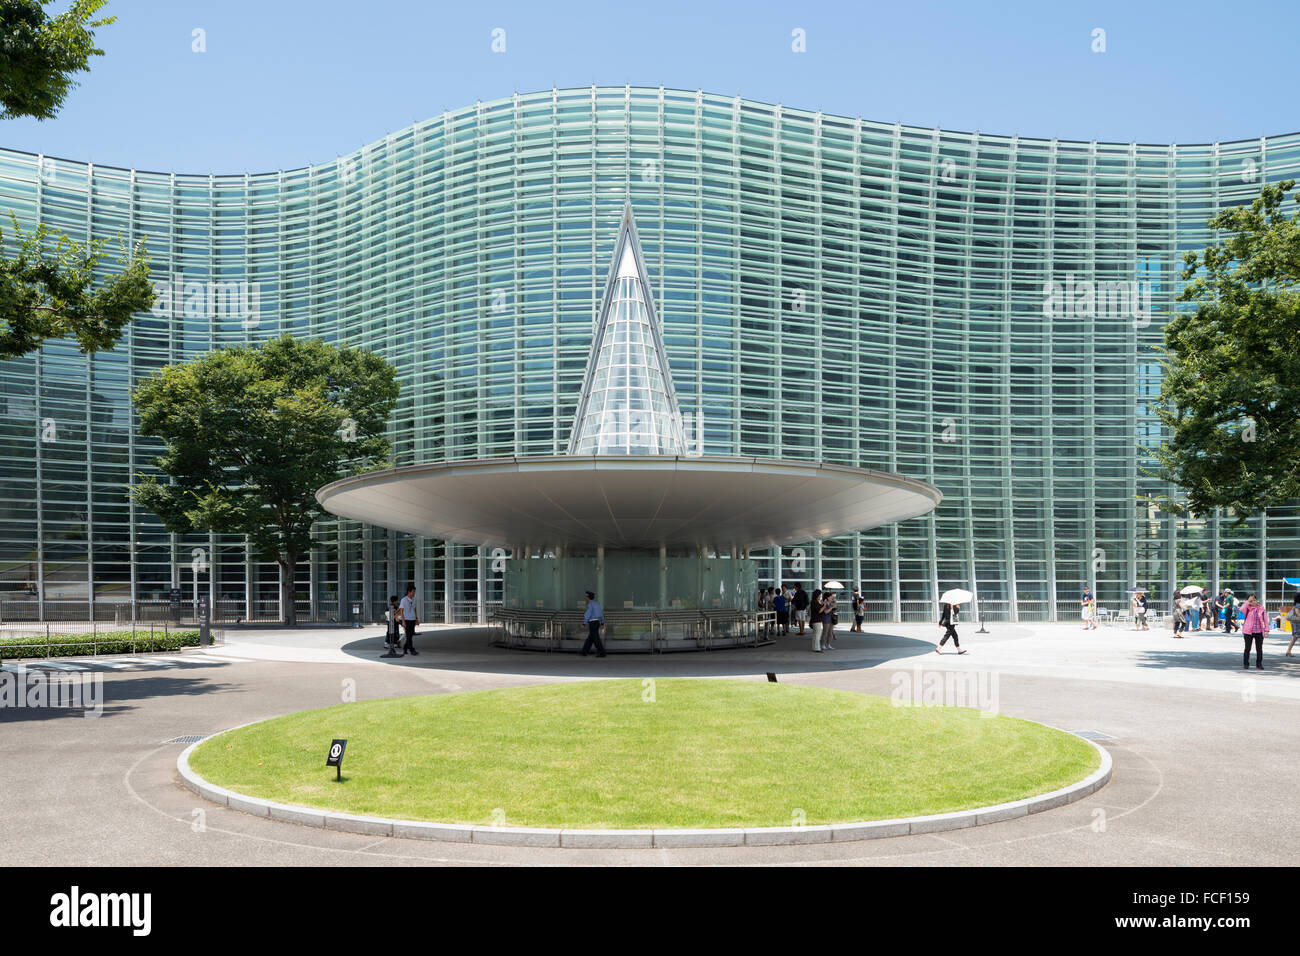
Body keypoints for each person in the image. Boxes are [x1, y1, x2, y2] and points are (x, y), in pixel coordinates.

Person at [1240, 593, 1267, 670]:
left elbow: (1265, 620)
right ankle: (1246, 664)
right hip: (1248, 631)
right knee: (1247, 648)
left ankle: (1259, 664)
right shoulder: (1247, 608)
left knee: (1259, 649)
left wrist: (1267, 630)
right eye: (1251, 601)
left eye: (1254, 600)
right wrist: (1248, 601)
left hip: (1259, 631)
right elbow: (1241, 609)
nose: (1253, 602)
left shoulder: (1261, 608)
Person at [581, 590, 606, 657]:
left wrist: (584, 623)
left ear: (588, 597)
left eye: (586, 597)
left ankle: (602, 652)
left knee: (595, 638)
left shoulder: (590, 604)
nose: (586, 598)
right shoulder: (597, 604)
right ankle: (584, 651)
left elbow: (587, 614)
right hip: (597, 622)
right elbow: (601, 614)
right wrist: (602, 623)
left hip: (592, 623)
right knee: (591, 638)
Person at [398, 585, 420, 655]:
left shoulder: (414, 599)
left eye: (414, 591)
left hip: (412, 619)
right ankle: (412, 650)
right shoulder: (403, 600)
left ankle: (405, 648)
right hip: (406, 620)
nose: (414, 593)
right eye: (413, 591)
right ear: (409, 592)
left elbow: (414, 609)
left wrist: (416, 619)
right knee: (408, 636)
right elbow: (401, 611)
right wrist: (403, 621)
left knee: (410, 635)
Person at [1286, 592, 1300, 657]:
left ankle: (1288, 651)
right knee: (1297, 636)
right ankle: (1288, 651)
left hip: (1295, 622)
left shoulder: (1296, 604)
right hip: (1297, 623)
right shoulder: (1298, 605)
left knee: (1294, 637)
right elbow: (1297, 613)